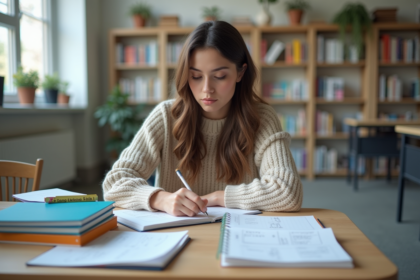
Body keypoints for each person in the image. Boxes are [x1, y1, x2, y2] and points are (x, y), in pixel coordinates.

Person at [103, 21, 302, 217]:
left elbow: (288, 191)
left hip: (240, 235)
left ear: (240, 72)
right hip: (178, 235)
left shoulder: (262, 118)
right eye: (196, 77)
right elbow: (114, 183)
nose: (207, 89)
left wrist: (218, 198)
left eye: (220, 76)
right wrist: (161, 199)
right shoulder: (165, 116)